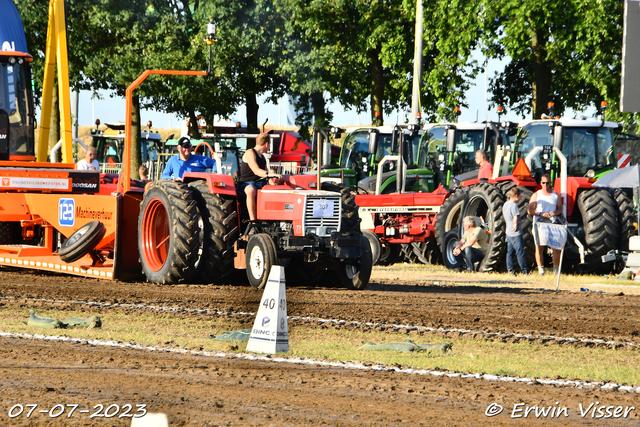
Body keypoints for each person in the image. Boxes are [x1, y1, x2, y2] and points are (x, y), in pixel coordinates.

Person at [239, 133, 281, 221]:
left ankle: (273, 219)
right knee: (250, 190)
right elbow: (256, 170)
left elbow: (265, 174)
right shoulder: (250, 152)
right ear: (266, 144)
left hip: (260, 183)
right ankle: (253, 221)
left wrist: (273, 180)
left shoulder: (263, 158)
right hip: (247, 183)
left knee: (275, 190)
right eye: (269, 144)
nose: (269, 147)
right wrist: (271, 174)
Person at [527, 174, 563, 275]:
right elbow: (529, 210)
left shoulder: (556, 195)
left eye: (547, 183)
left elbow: (560, 208)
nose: (545, 185)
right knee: (539, 247)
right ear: (540, 183)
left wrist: (554, 213)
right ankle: (541, 270)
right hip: (539, 223)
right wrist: (540, 213)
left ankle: (556, 271)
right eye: (543, 183)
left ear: (550, 183)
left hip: (552, 223)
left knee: (556, 247)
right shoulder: (536, 195)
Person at [503, 187, 528, 275]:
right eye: (520, 196)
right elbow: (515, 216)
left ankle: (510, 270)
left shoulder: (505, 204)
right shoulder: (513, 205)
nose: (521, 198)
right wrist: (515, 225)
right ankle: (524, 271)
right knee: (520, 251)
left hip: (508, 232)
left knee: (510, 252)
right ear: (516, 196)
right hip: (515, 233)